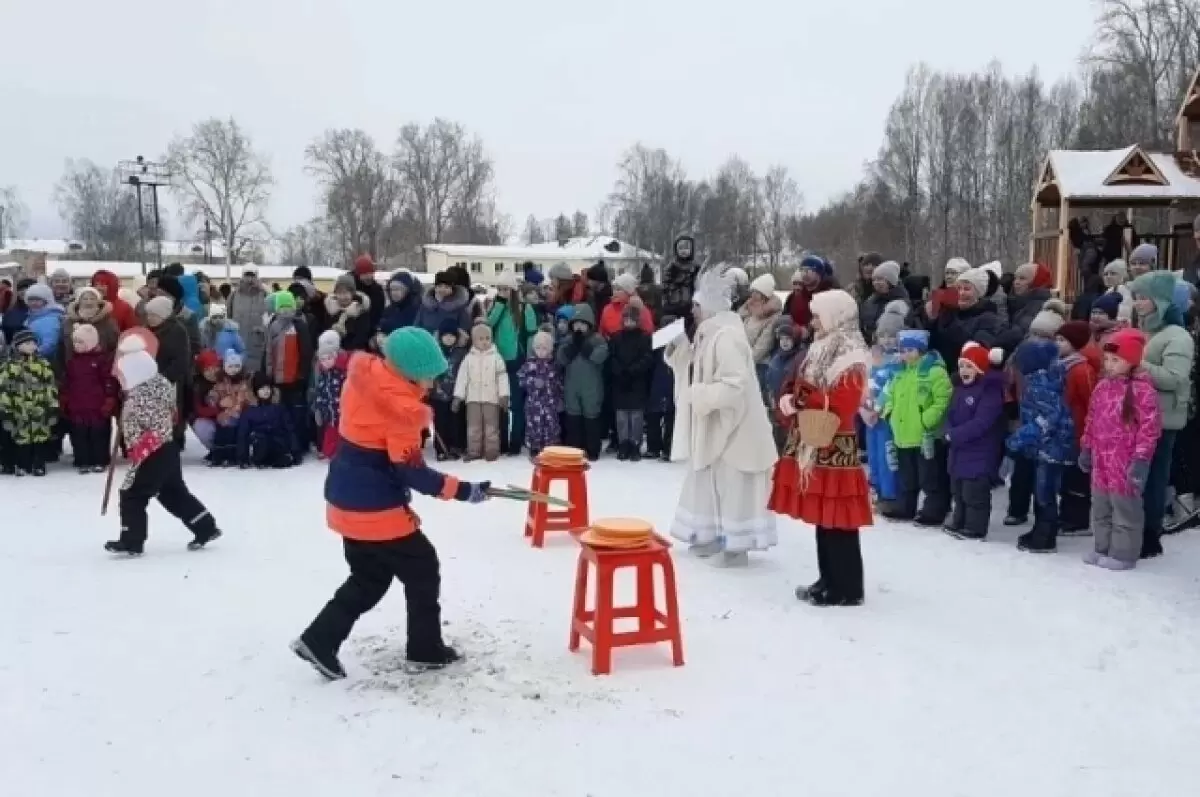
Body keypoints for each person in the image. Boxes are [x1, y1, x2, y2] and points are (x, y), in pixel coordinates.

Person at [291, 327, 493, 680]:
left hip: (344, 499)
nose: (432, 384)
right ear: (410, 372)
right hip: (375, 510)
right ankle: (425, 650)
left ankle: (319, 640)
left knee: (368, 578)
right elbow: (412, 472)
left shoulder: (366, 378)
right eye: (429, 376)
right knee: (422, 568)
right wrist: (464, 490)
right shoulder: (401, 410)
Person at [668, 266, 778, 566]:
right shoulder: (710, 334)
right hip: (717, 426)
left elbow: (735, 384)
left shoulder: (727, 336)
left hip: (738, 429)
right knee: (712, 482)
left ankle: (736, 546)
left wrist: (700, 396)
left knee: (734, 485)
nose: (693, 311)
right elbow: (696, 368)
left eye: (697, 305)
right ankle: (711, 535)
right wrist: (679, 351)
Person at [770, 290, 871, 604]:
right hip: (815, 438)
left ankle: (847, 586)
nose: (813, 322)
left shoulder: (851, 355)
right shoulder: (819, 347)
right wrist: (790, 395)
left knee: (839, 518)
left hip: (835, 442)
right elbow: (800, 380)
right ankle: (827, 577)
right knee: (824, 518)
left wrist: (803, 398)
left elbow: (844, 402)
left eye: (817, 315)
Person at [104, 342, 222, 556]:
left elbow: (153, 426)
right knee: (172, 493)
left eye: (123, 376)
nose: (121, 380)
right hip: (168, 448)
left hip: (152, 451)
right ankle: (205, 527)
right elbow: (171, 414)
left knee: (132, 493)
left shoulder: (143, 396)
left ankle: (132, 540)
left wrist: (139, 449)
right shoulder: (159, 384)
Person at [1079, 328, 1162, 569]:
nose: (1110, 364)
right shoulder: (1102, 387)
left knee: (1125, 509)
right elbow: (1092, 420)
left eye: (1116, 360)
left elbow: (1149, 429)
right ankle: (1101, 547)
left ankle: (1123, 553)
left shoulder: (1142, 390)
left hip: (1124, 461)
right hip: (1101, 459)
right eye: (1107, 359)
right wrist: (1087, 447)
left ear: (1132, 361)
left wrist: (1141, 460)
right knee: (1101, 506)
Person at [1129, 270, 1196, 557]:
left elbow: (1174, 377)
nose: (1138, 303)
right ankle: (1130, 528)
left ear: (1161, 300)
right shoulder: (1146, 330)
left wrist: (1136, 366)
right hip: (1136, 414)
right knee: (1136, 476)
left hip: (1162, 418)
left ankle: (1149, 535)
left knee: (1154, 477)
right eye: (1135, 297)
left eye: (1144, 297)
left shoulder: (1177, 336)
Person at [1007, 339, 1075, 553]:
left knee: (1045, 493)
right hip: (1046, 447)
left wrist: (1019, 438)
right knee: (1042, 491)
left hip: (1050, 448)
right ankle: (1040, 529)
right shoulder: (1043, 379)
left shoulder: (1040, 385)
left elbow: (1047, 418)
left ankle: (1045, 536)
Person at [882, 329, 952, 524]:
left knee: (930, 475)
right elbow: (889, 395)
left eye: (910, 350)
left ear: (921, 350)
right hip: (902, 433)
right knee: (907, 474)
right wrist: (889, 413)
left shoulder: (934, 371)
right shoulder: (899, 372)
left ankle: (934, 509)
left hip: (925, 435)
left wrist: (926, 420)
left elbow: (943, 399)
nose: (905, 354)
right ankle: (905, 506)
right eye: (902, 350)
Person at [944, 342, 1005, 540]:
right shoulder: (960, 389)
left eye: (969, 366)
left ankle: (975, 527)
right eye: (962, 366)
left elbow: (982, 422)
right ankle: (959, 520)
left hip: (980, 451)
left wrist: (956, 435)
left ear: (979, 368)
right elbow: (950, 414)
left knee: (975, 493)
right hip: (959, 450)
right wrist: (947, 430)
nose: (964, 371)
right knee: (959, 490)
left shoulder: (990, 391)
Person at [487, 272, 540, 456]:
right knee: (501, 401)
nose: (503, 292)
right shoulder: (495, 306)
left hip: (518, 359)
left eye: (506, 289)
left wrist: (531, 358)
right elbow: (488, 325)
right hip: (498, 360)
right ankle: (501, 441)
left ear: (513, 290)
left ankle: (516, 441)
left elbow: (532, 333)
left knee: (517, 404)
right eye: (500, 289)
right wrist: (499, 305)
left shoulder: (524, 308)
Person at [1056, 321, 1101, 533]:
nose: (1058, 344)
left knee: (1077, 476)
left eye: (1062, 340)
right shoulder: (1062, 365)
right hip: (1066, 430)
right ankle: (1067, 515)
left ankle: (1077, 519)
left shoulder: (1081, 370)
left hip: (1079, 431)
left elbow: (1091, 402)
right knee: (1067, 475)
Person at [861, 301, 907, 510]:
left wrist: (878, 408)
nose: (887, 340)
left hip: (887, 416)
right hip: (870, 417)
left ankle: (890, 494)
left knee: (888, 455)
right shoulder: (872, 358)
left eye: (892, 336)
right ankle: (876, 487)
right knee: (873, 454)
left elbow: (892, 387)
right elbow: (863, 384)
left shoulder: (899, 361)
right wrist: (863, 408)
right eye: (883, 335)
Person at [0, 329, 58, 476]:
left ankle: (39, 464)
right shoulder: (9, 367)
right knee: (21, 438)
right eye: (27, 343)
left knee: (40, 437)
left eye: (33, 343)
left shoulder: (42, 364)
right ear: (17, 346)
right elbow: (4, 389)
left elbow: (50, 387)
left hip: (39, 409)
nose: (31, 346)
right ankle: (23, 464)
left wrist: (52, 407)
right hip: (20, 410)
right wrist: (6, 410)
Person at [61, 324, 117, 474]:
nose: (76, 346)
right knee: (79, 434)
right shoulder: (72, 362)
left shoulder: (101, 361)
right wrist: (65, 399)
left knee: (99, 434)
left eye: (80, 343)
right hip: (77, 405)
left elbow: (108, 381)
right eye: (75, 343)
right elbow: (67, 382)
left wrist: (109, 399)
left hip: (97, 406)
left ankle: (100, 459)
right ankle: (82, 460)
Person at [264, 291, 313, 459]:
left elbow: (306, 352)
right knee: (280, 411)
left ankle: (299, 444)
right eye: (282, 308)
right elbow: (268, 349)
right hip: (277, 378)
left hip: (295, 378)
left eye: (288, 307)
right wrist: (267, 373)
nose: (285, 311)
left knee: (296, 413)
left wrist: (302, 374)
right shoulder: (272, 325)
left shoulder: (299, 325)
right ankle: (283, 443)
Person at [557, 304, 609, 460]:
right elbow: (560, 359)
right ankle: (574, 448)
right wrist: (569, 351)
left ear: (589, 324)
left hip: (591, 386)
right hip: (572, 386)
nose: (579, 327)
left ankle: (592, 449)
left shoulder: (597, 340)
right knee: (573, 417)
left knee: (591, 417)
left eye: (583, 323)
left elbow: (601, 355)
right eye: (576, 324)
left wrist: (587, 349)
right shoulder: (568, 341)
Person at [453, 322, 509, 462]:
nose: (484, 342)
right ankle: (474, 450)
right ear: (474, 340)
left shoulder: (496, 357)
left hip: (491, 398)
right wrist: (458, 397)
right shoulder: (469, 358)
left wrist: (504, 395)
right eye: (481, 339)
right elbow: (462, 378)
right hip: (473, 399)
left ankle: (491, 450)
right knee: (473, 427)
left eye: (487, 338)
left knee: (491, 426)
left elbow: (502, 377)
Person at [143, 296, 192, 447]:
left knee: (171, 412)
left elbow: (182, 359)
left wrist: (164, 377)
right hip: (148, 379)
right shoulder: (146, 330)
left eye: (154, 315)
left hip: (170, 379)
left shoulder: (177, 330)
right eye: (149, 314)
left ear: (163, 315)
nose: (150, 318)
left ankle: (173, 442)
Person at [929, 267, 1003, 367]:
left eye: (967, 289)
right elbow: (932, 343)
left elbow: (974, 348)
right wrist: (931, 318)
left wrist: (949, 317)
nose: (961, 293)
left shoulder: (988, 318)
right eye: (958, 289)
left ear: (978, 293)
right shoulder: (950, 312)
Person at [608, 305, 654, 460]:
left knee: (636, 416)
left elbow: (647, 358)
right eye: (626, 319)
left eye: (632, 319)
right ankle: (623, 443)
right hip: (620, 380)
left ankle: (635, 444)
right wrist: (620, 371)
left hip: (637, 381)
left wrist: (633, 371)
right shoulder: (616, 337)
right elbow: (612, 357)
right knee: (621, 416)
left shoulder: (645, 337)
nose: (628, 322)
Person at [517, 329, 562, 460]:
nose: (541, 351)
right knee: (533, 426)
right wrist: (532, 382)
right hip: (534, 404)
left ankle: (551, 447)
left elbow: (559, 383)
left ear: (550, 349)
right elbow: (520, 379)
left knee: (551, 425)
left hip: (550, 403)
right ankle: (534, 447)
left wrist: (560, 398)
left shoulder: (553, 365)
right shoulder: (529, 364)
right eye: (538, 348)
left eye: (544, 348)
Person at [237, 373, 297, 469]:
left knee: (279, 447)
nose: (266, 391)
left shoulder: (278, 407)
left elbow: (289, 428)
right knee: (262, 439)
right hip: (259, 445)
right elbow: (243, 434)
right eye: (262, 389)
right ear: (255, 391)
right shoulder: (250, 410)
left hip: (277, 443)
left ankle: (280, 458)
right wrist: (243, 458)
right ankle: (261, 460)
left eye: (268, 388)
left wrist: (295, 450)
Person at [997, 263, 1055, 353]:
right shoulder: (1015, 303)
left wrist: (994, 340)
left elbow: (1019, 333)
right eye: (1015, 278)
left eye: (1022, 278)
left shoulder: (1038, 304)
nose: (1016, 282)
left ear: (1035, 282)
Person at [311, 330, 350, 460]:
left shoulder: (343, 372)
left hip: (343, 413)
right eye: (322, 359)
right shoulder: (323, 373)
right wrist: (318, 406)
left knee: (344, 437)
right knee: (329, 438)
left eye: (329, 358)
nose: (326, 362)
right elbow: (320, 390)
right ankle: (329, 451)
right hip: (329, 413)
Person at [739, 274, 782, 390]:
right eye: (752, 292)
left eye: (756, 292)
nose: (752, 295)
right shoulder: (750, 308)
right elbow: (738, 322)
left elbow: (764, 345)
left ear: (764, 295)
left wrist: (747, 361)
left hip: (759, 363)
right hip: (742, 358)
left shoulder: (772, 316)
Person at [60, 286, 119, 366]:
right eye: (85, 299)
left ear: (98, 301)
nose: (89, 302)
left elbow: (114, 346)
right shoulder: (69, 322)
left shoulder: (108, 322)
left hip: (101, 369)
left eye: (92, 299)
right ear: (79, 302)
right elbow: (62, 347)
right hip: (73, 368)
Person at [646, 316, 677, 462]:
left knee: (671, 417)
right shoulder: (656, 341)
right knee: (654, 415)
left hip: (673, 382)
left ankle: (668, 449)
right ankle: (654, 447)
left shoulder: (680, 342)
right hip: (657, 380)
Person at [227, 267, 269, 373]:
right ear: (242, 276)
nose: (250, 279)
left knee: (256, 377)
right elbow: (229, 316)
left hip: (258, 342)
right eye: (247, 275)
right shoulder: (234, 295)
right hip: (238, 339)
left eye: (252, 275)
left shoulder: (265, 294)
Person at [859, 260, 909, 342]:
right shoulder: (870, 301)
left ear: (891, 281)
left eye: (880, 279)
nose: (876, 283)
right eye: (874, 280)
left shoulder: (901, 303)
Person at [416, 271, 474, 341]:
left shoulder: (459, 308)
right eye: (439, 286)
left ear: (452, 289)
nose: (442, 290)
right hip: (427, 343)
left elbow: (466, 328)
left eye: (446, 287)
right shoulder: (425, 305)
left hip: (450, 346)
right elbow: (417, 326)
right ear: (435, 287)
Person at [783, 255, 836, 331]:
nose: (805, 274)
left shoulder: (828, 295)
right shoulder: (793, 297)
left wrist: (807, 331)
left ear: (819, 273)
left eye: (809, 270)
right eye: (802, 270)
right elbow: (786, 317)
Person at [23, 283, 65, 362]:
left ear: (46, 301)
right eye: (31, 299)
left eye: (38, 300)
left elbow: (50, 344)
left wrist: (34, 354)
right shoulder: (32, 317)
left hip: (44, 362)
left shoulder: (50, 318)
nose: (34, 303)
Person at [379, 271, 423, 336]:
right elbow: (380, 328)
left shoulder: (418, 309)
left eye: (397, 289)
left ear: (408, 290)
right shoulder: (388, 310)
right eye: (391, 289)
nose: (394, 293)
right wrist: (377, 338)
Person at [352, 255, 387, 333]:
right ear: (358, 274)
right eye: (364, 274)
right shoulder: (351, 290)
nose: (368, 277)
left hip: (371, 333)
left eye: (370, 273)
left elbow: (380, 313)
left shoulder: (378, 291)